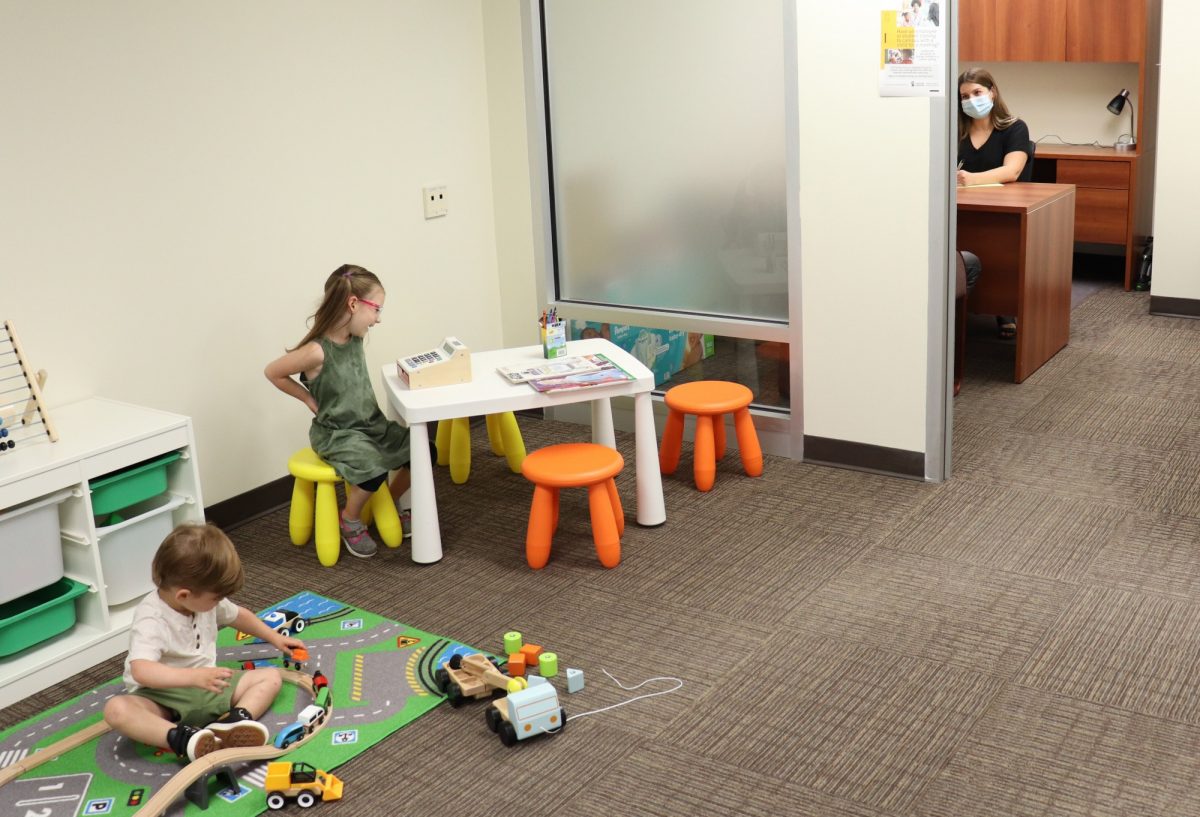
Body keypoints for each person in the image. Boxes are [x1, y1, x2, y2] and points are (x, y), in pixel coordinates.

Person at [102, 523, 304, 762]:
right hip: (163, 698)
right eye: (216, 597)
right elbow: (141, 670)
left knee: (270, 677)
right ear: (184, 596)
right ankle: (181, 738)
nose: (221, 601)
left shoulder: (205, 602)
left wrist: (275, 638)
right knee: (116, 710)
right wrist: (193, 678)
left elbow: (239, 616)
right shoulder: (152, 618)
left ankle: (235, 722)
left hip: (209, 686)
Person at [265, 264, 413, 558]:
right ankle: (351, 518)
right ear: (354, 304)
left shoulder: (355, 338)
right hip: (338, 434)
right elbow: (273, 372)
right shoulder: (316, 351)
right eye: (377, 310)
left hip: (372, 426)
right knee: (372, 469)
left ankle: (386, 503)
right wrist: (307, 399)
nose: (378, 319)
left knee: (423, 450)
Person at [957, 67, 1029, 339]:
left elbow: (1012, 170)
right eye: (964, 96)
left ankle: (1004, 308)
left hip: (1001, 207)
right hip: (961, 205)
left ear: (992, 92)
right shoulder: (955, 129)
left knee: (1001, 249)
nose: (971, 100)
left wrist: (970, 179)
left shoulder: (1014, 128)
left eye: (977, 92)